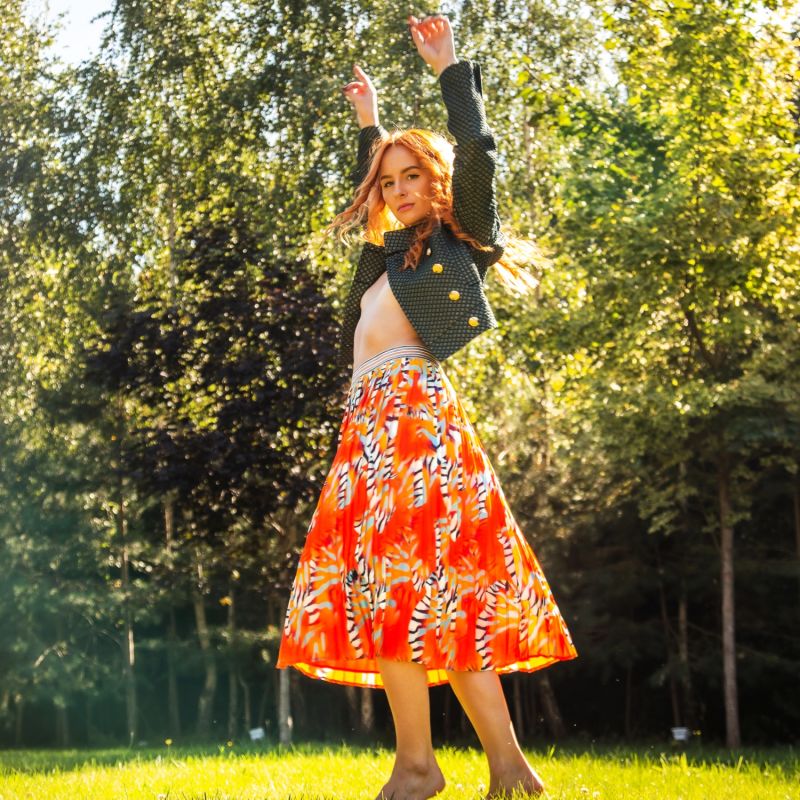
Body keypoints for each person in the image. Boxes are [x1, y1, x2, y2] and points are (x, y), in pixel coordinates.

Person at [276, 13, 578, 800]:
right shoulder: (383, 259)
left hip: (414, 422)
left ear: (438, 185)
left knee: (426, 591)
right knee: (396, 597)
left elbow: (476, 158)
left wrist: (450, 70)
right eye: (389, 180)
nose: (401, 190)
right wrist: (368, 127)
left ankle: (466, 764)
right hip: (368, 432)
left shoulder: (457, 240)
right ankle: (461, 767)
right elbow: (367, 188)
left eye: (414, 177)